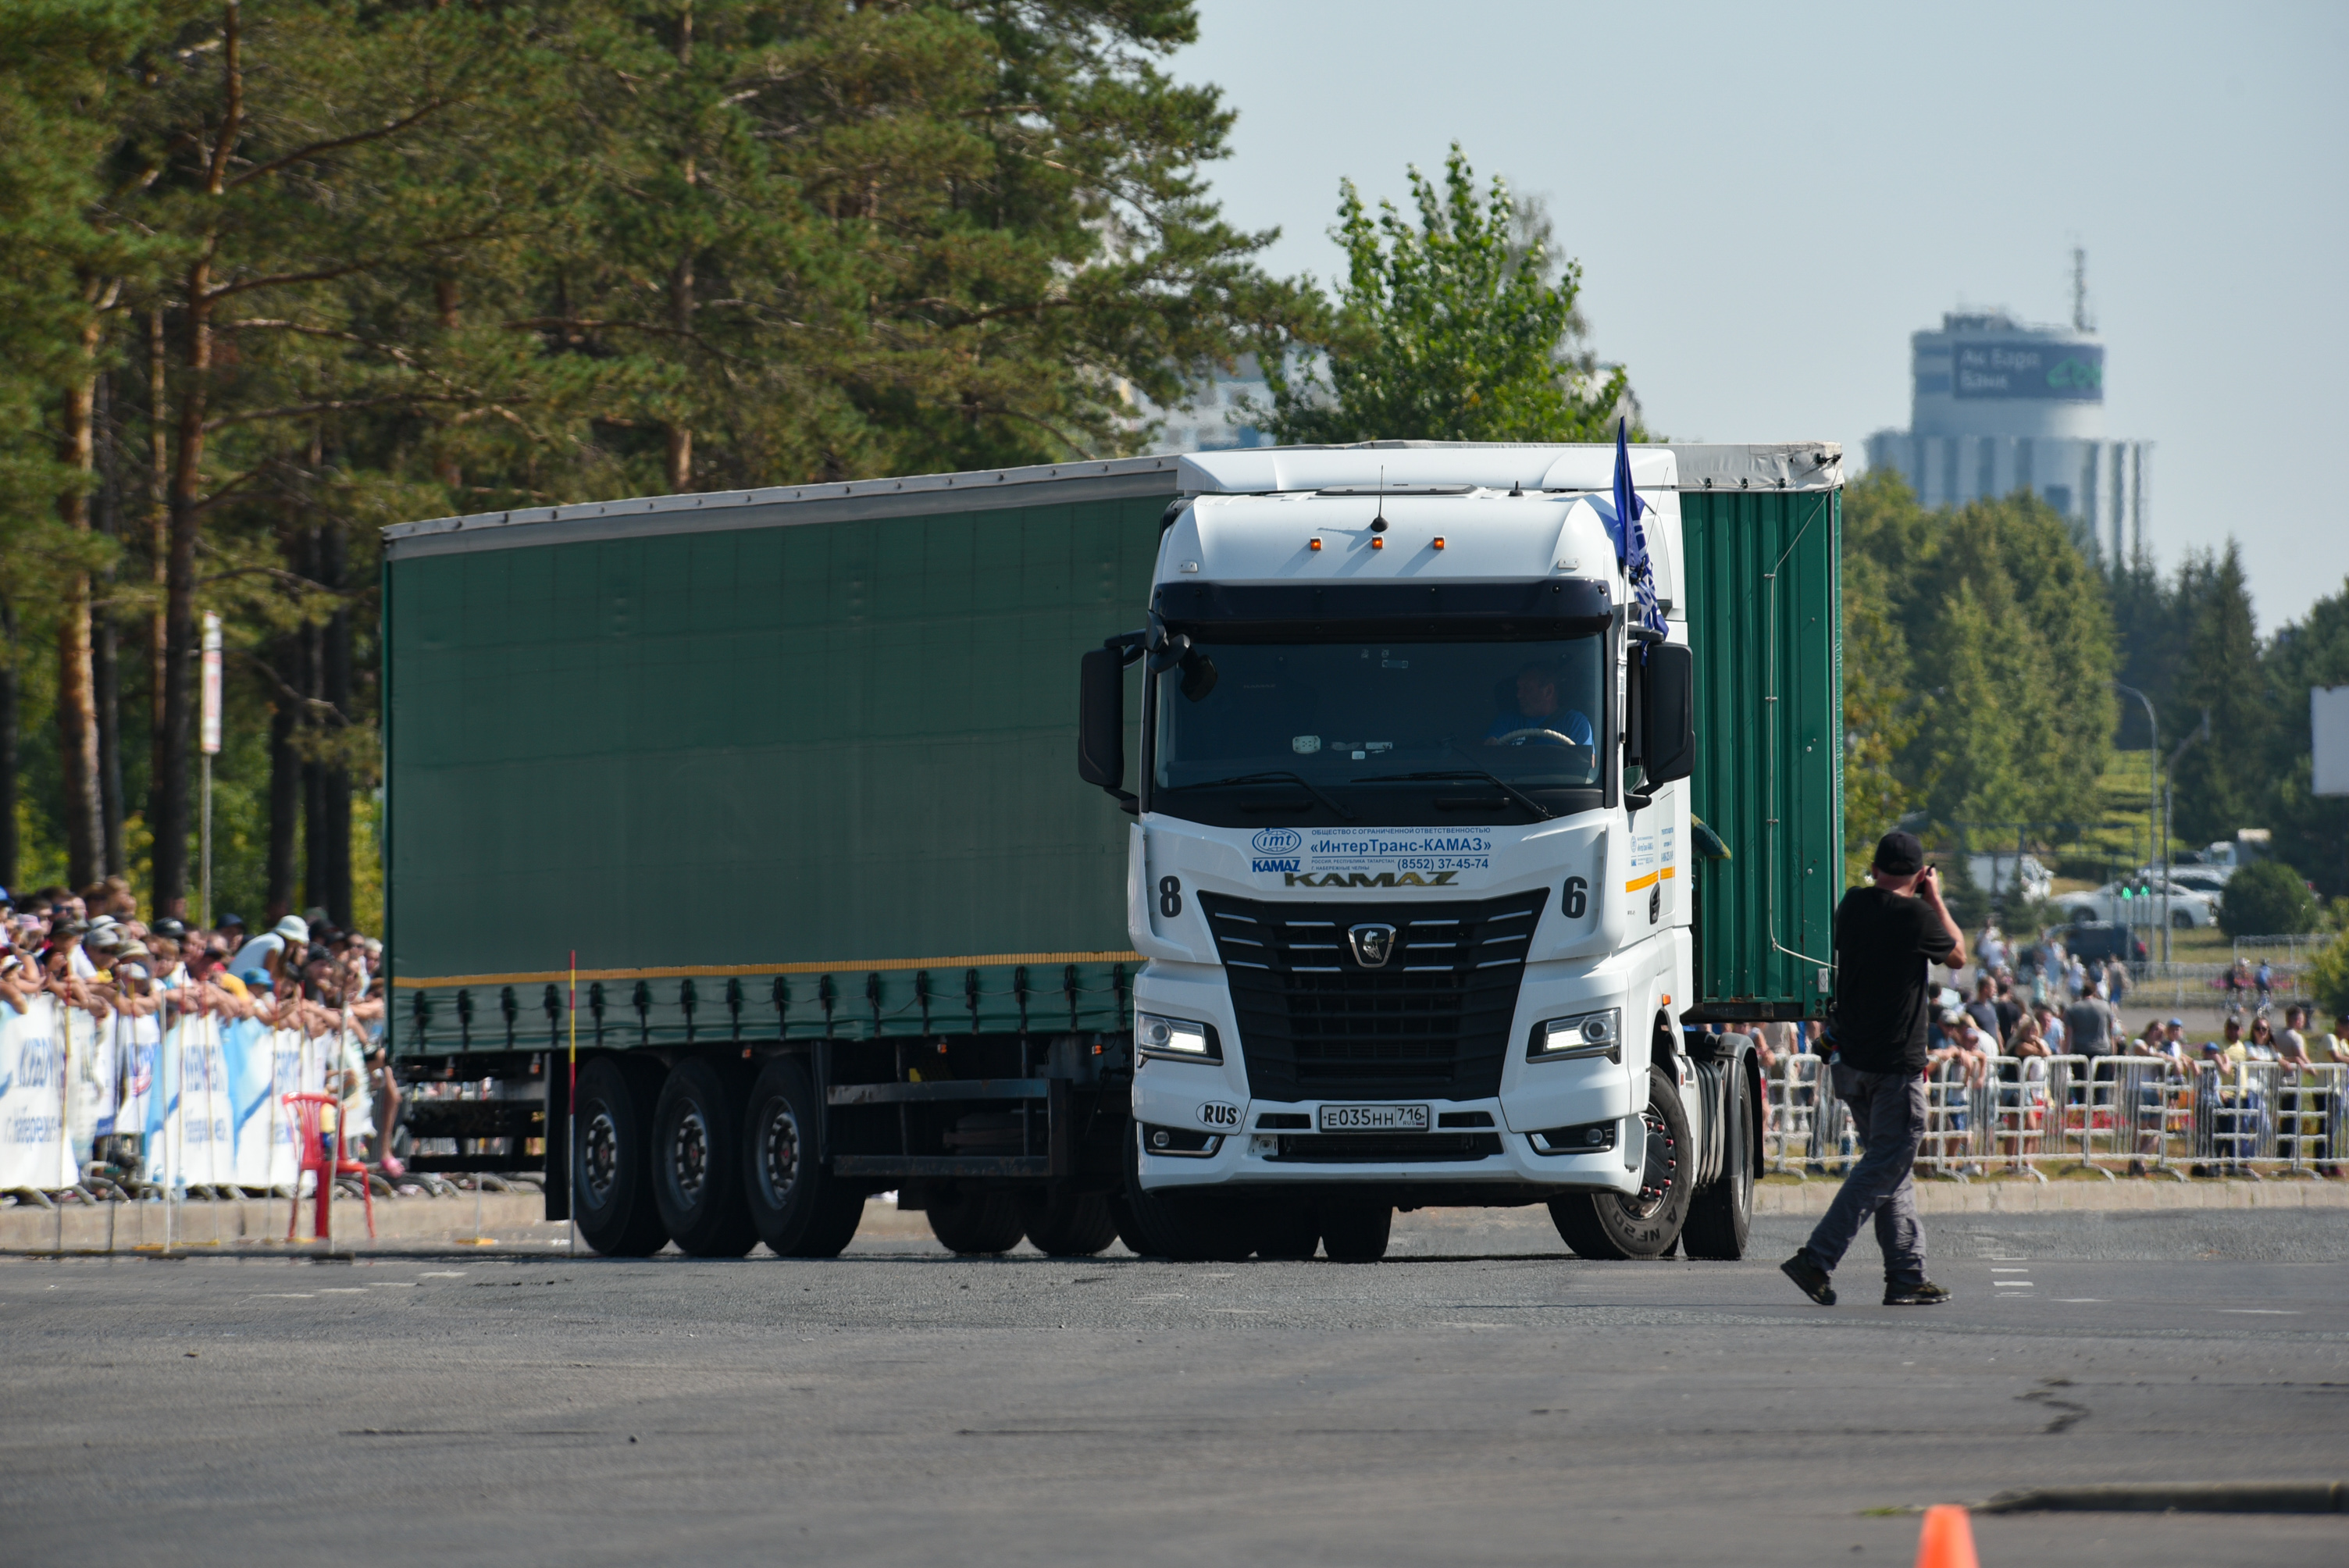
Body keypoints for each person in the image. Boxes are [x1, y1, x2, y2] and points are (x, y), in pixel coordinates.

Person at [1781, 832, 1963, 1309]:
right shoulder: (1917, 915)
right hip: (1895, 1068)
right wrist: (1936, 897)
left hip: (1853, 1064)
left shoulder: (1853, 905)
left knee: (1892, 1171)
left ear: (1876, 866)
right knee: (1884, 1165)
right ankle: (1816, 1259)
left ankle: (1906, 1275)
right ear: (1920, 874)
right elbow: (1958, 955)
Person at [1482, 661, 1595, 749]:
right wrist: (1491, 745)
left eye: (1527, 688)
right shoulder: (1506, 720)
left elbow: (1587, 767)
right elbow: (1489, 752)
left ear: (1548, 691)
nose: (1518, 695)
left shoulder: (1574, 722)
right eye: (1519, 688)